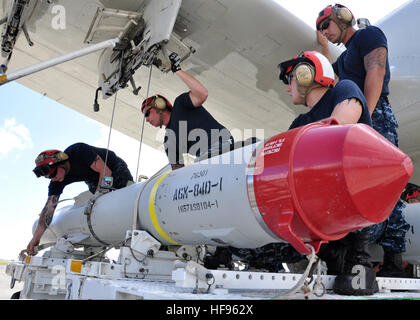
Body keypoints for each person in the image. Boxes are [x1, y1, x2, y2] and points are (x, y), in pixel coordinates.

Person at [213, 51, 378, 295]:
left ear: (305, 75)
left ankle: (357, 256)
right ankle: (331, 252)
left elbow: (337, 132)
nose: (287, 87)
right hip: (319, 219)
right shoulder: (300, 122)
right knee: (252, 249)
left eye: (290, 79)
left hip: (361, 215)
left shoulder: (344, 90)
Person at [315, 3, 410, 279]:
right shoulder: (345, 59)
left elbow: (376, 72)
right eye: (320, 29)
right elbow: (327, 74)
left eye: (326, 25)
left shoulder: (368, 36)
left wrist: (364, 119)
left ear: (342, 19)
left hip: (374, 114)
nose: (324, 31)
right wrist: (320, 45)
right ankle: (359, 254)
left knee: (387, 185)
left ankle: (394, 259)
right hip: (360, 120)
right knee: (357, 185)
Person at [27, 143, 134, 255]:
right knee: (102, 209)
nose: (53, 179)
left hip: (113, 167)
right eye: (48, 177)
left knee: (125, 199)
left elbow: (106, 172)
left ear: (60, 163)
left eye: (53, 174)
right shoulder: (56, 181)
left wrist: (99, 195)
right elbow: (48, 211)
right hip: (93, 179)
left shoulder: (79, 151)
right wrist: (36, 238)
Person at [142, 52, 233, 170]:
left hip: (221, 144)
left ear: (159, 105)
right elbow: (177, 169)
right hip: (205, 157)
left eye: (147, 114)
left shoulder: (180, 104)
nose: (147, 119)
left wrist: (177, 70)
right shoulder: (168, 140)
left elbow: (202, 93)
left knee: (201, 166)